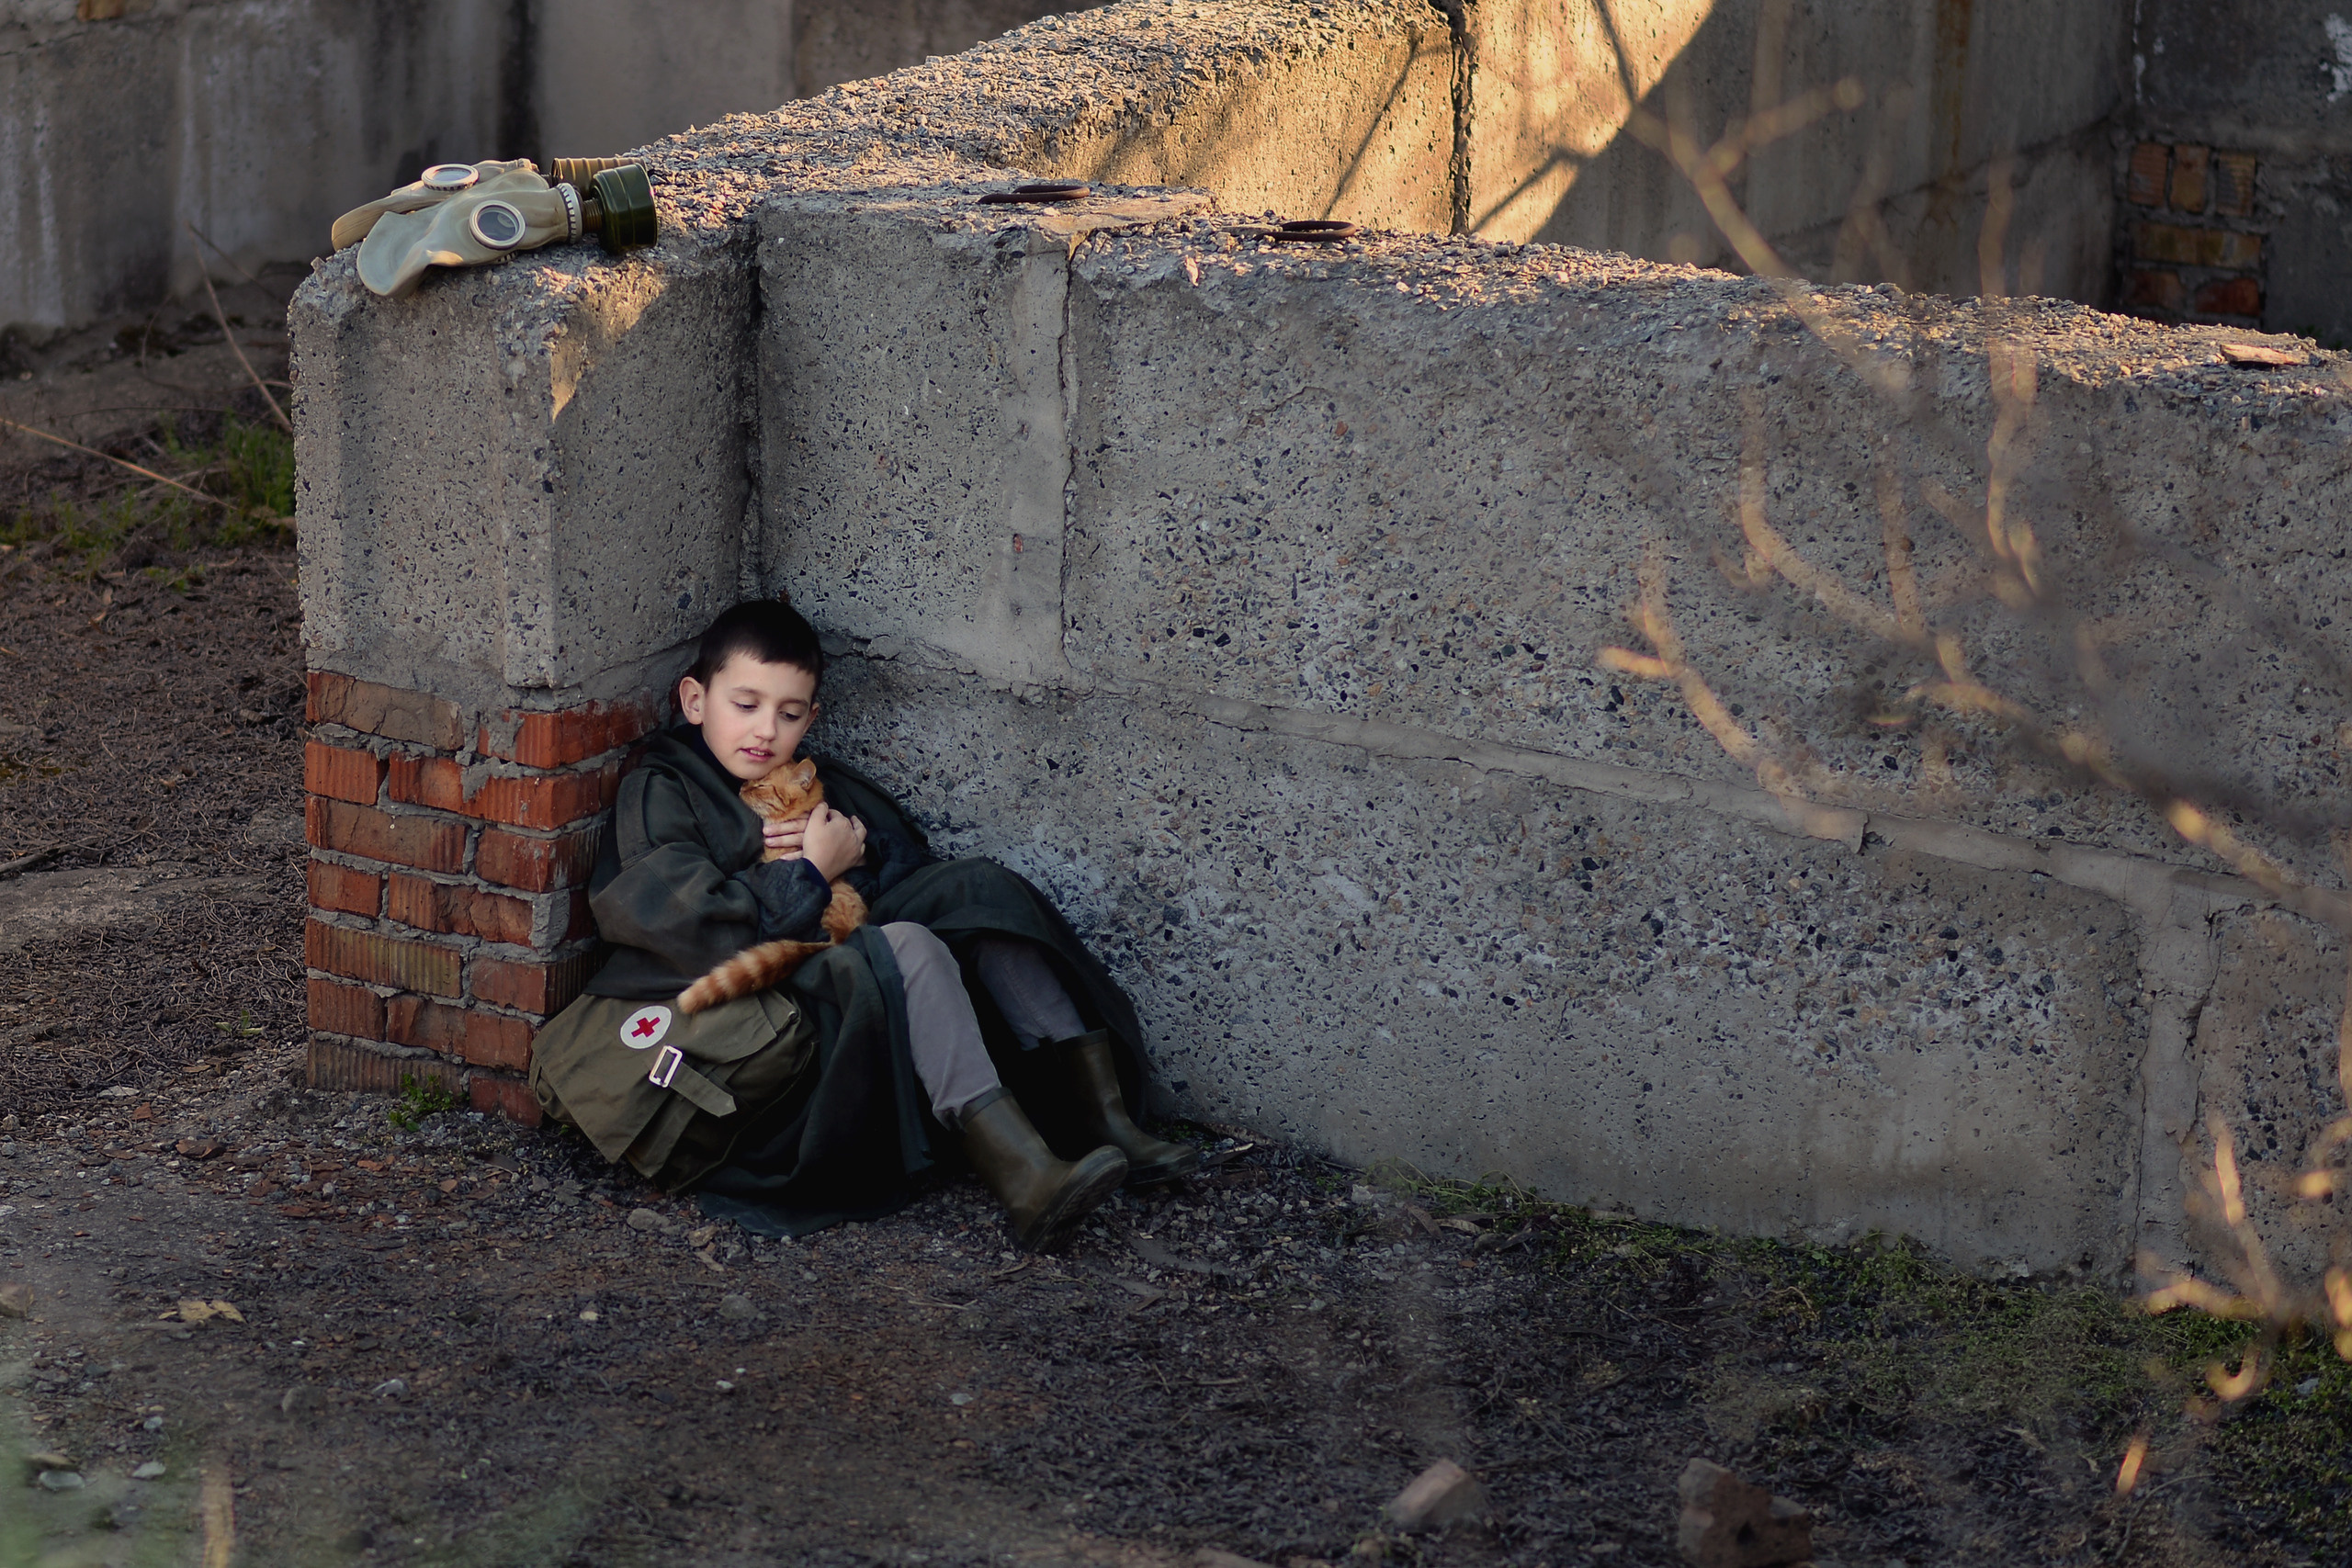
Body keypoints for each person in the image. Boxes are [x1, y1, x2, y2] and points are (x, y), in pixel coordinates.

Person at [527, 598, 1198, 1249]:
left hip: (837, 948)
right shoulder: (665, 788)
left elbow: (903, 867)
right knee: (902, 947)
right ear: (695, 700)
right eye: (746, 705)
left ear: (811, 717)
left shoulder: (812, 776)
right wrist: (812, 872)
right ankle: (1027, 1181)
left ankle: (1100, 1118)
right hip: (772, 1008)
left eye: (788, 714)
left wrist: (853, 852)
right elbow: (686, 926)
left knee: (977, 889)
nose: (765, 730)